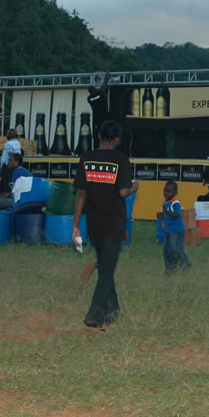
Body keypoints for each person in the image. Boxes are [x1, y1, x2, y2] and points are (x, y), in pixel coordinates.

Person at [72, 120, 140, 329]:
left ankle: (114, 311)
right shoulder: (121, 160)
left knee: (105, 266)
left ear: (99, 136)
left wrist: (75, 225)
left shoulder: (86, 158)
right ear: (116, 140)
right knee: (107, 269)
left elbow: (81, 193)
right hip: (113, 221)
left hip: (94, 221)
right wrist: (134, 187)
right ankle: (95, 314)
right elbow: (123, 192)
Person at [157, 180, 191, 274]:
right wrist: (161, 216)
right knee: (167, 250)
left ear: (175, 193)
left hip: (177, 231)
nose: (166, 193)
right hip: (168, 230)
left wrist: (167, 212)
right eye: (165, 191)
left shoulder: (175, 203)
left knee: (176, 249)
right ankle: (170, 269)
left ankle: (185, 264)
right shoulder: (165, 202)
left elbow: (177, 215)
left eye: (169, 191)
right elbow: (166, 216)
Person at [0, 129, 22, 193]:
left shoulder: (9, 143)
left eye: (7, 133)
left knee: (6, 184)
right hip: (14, 165)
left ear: (11, 135)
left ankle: (6, 196)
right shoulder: (18, 142)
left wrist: (3, 163)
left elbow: (10, 155)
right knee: (8, 182)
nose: (6, 135)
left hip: (7, 166)